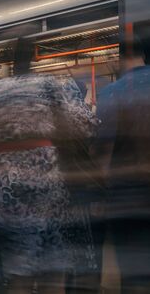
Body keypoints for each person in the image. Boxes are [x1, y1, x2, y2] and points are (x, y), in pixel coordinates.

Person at [0, 38, 99, 294]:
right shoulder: (49, 86)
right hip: (49, 188)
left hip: (7, 193)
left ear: (11, 61)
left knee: (19, 276)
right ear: (34, 60)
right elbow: (79, 127)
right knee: (54, 273)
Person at [95, 33, 150, 293]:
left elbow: (104, 151)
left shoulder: (112, 92)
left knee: (132, 275)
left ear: (121, 58)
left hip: (127, 196)